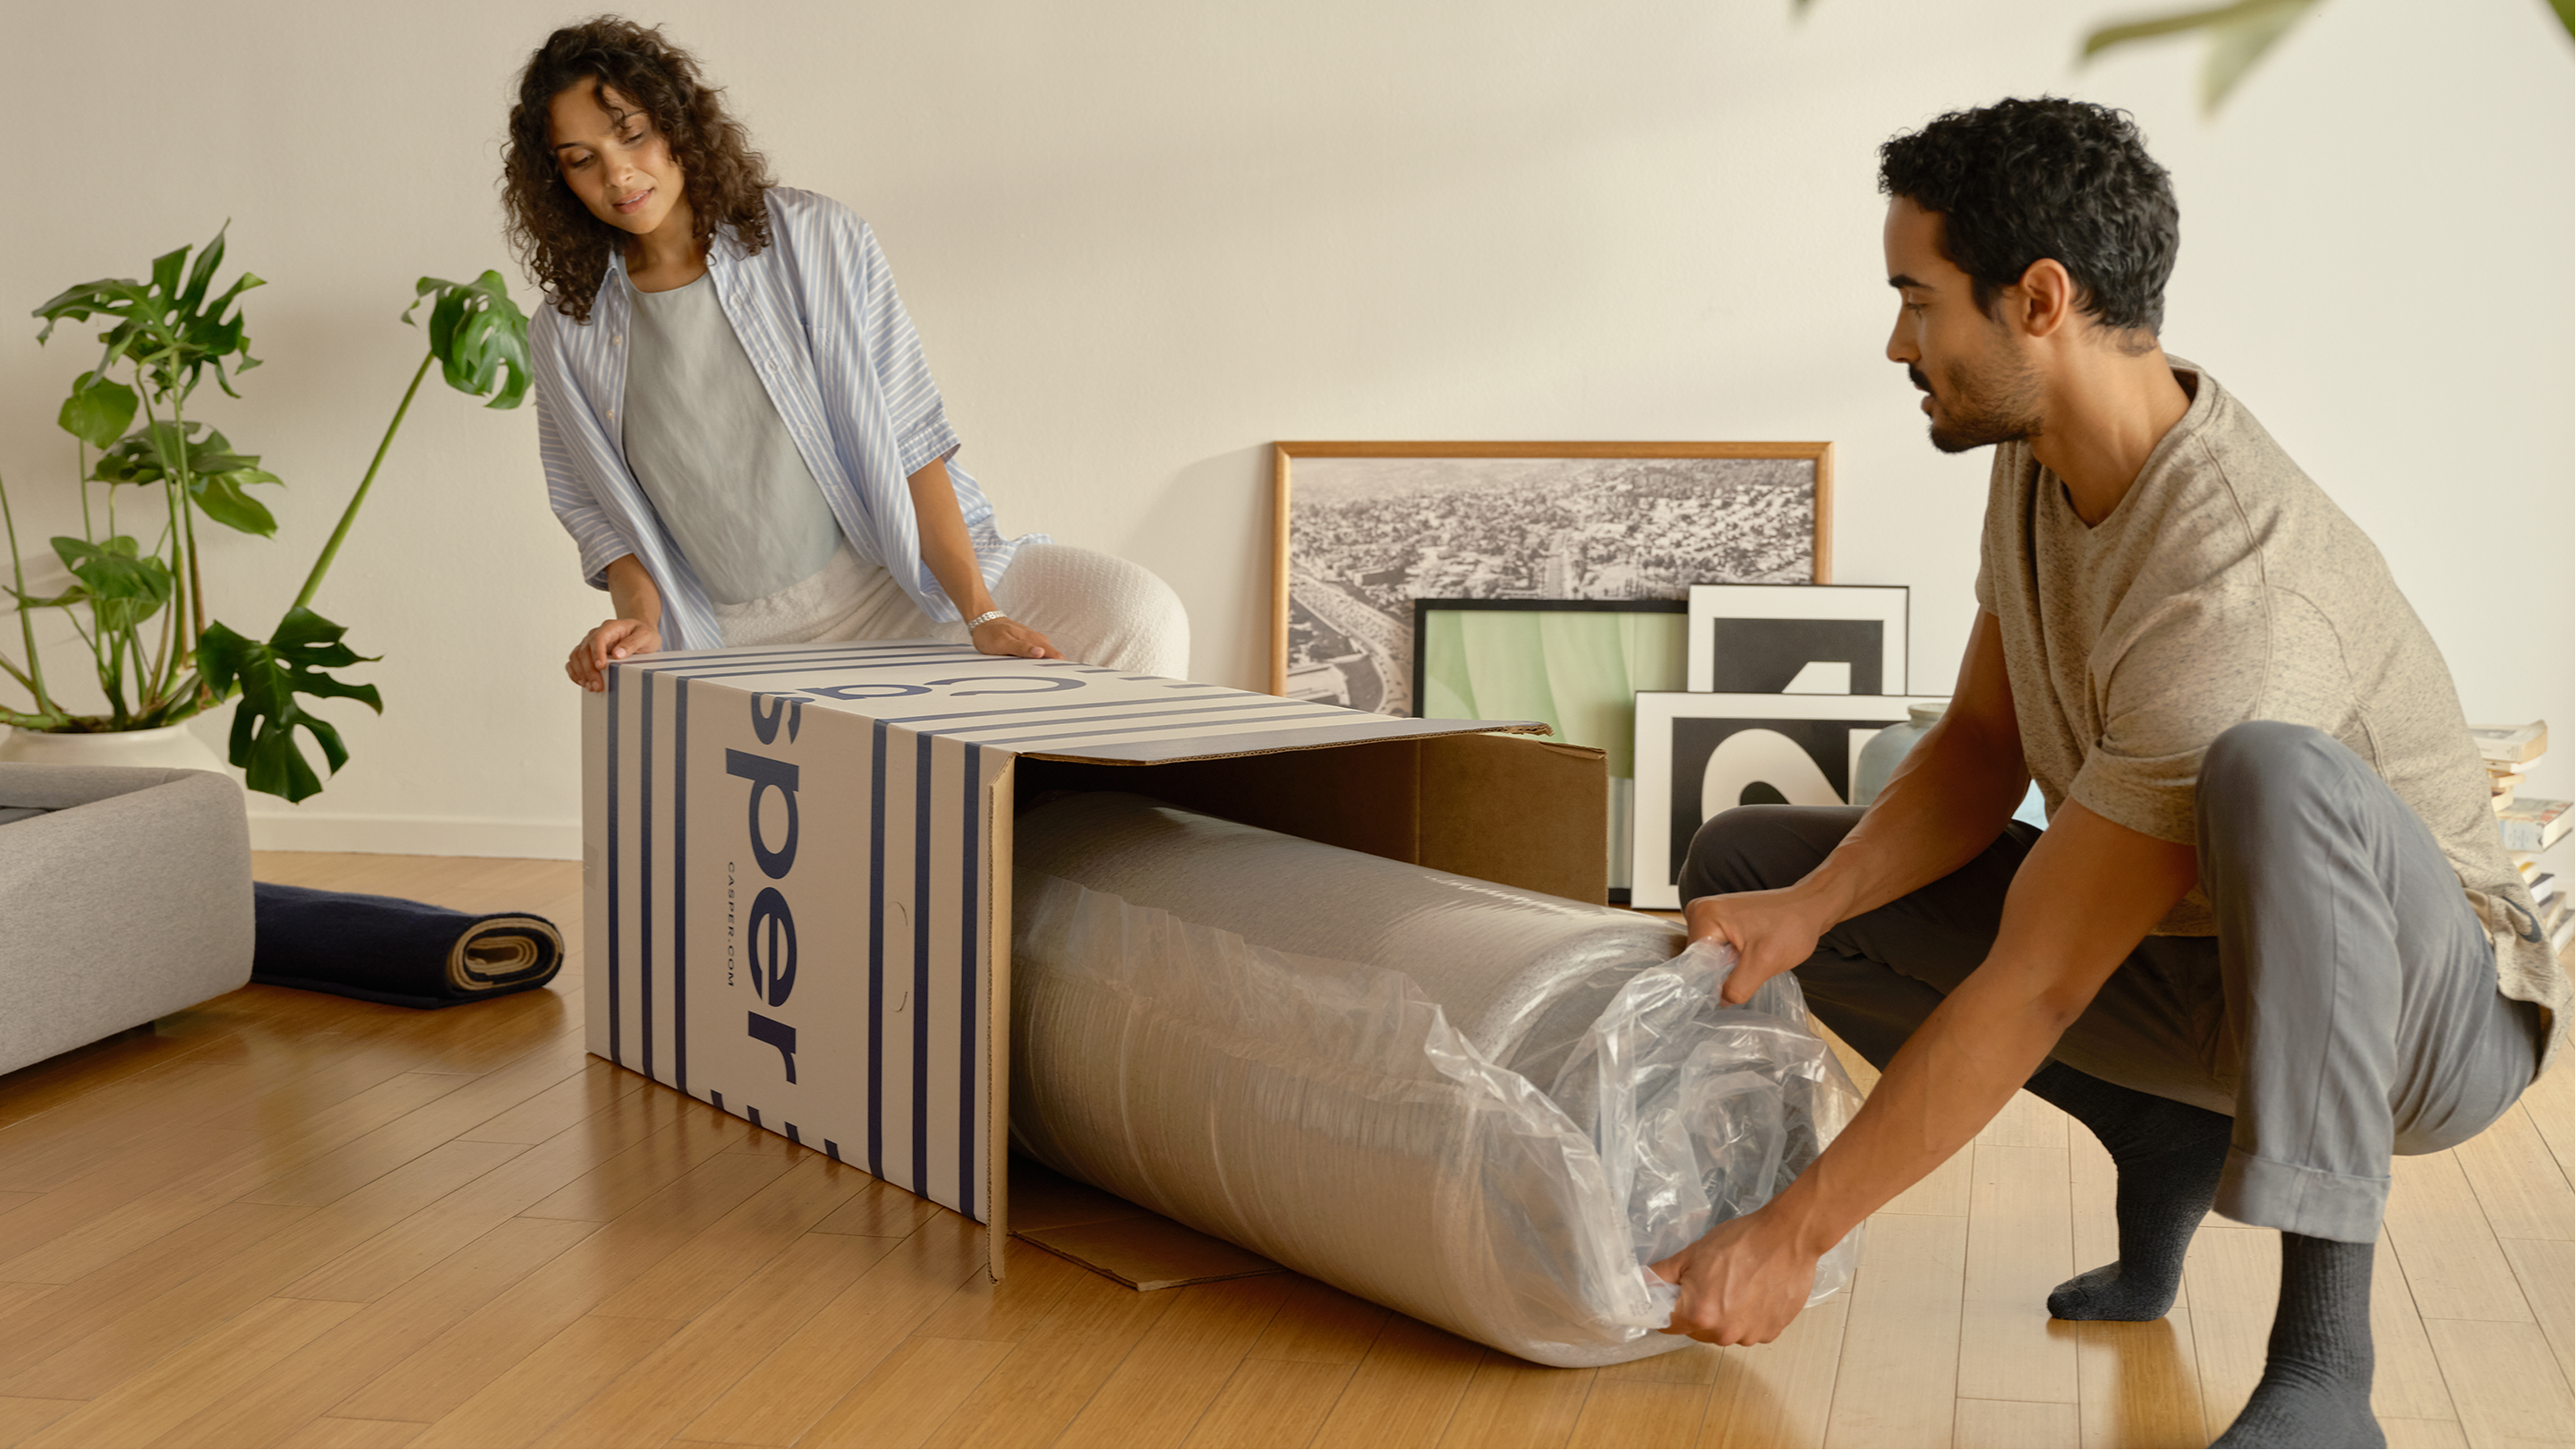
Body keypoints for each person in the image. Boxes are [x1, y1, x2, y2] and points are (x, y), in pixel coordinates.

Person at [1651, 98, 2562, 1450]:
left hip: (2425, 1026)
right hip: (2205, 980)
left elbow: (2041, 976)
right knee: (1753, 865)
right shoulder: (2036, 459)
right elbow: (1973, 751)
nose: (1898, 342)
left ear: (2037, 300)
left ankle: (2325, 1366)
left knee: (2270, 775)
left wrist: (1793, 1234)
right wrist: (1816, 904)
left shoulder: (2231, 587)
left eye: (1916, 299)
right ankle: (2157, 1130)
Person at [502, 19, 1190, 687]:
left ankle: (1087, 801)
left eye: (633, 134)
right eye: (582, 160)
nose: (618, 175)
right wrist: (644, 623)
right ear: (557, 180)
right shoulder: (567, 330)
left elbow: (909, 438)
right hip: (735, 637)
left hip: (895, 583)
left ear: (676, 125)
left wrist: (980, 610)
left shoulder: (814, 239)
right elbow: (600, 515)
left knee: (1136, 616)